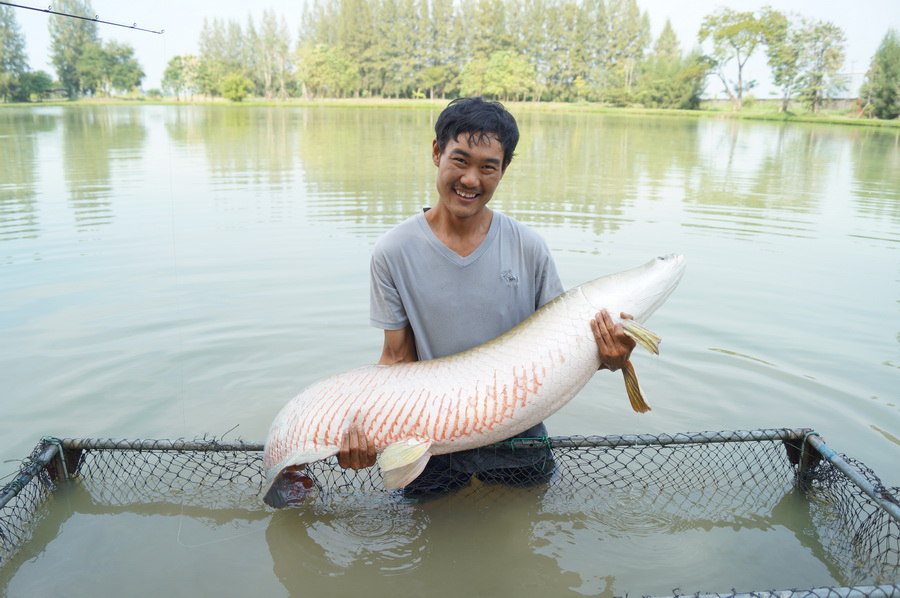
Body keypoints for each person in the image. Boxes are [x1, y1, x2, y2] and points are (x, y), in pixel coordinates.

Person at [337, 97, 635, 497]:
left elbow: (564, 351)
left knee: (522, 536)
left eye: (487, 167)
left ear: (504, 169)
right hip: (429, 437)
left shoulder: (529, 247)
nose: (471, 180)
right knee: (428, 545)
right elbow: (396, 359)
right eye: (460, 160)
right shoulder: (393, 251)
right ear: (436, 152)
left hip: (519, 434)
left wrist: (610, 359)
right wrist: (364, 426)